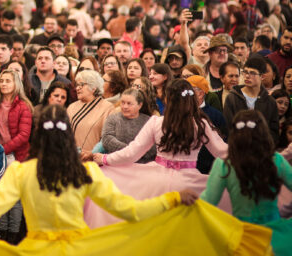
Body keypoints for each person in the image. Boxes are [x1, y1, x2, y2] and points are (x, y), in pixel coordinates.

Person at [0, 105, 268, 256]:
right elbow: (129, 210)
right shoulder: (85, 172)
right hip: (85, 249)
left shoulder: (21, 172)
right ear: (69, 138)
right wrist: (171, 199)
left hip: (36, 250)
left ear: (38, 137)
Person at [88, 79, 229, 227]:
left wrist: (105, 159)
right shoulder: (200, 124)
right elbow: (222, 151)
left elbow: (132, 153)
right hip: (188, 183)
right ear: (191, 99)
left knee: (151, 226)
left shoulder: (157, 122)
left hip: (154, 182)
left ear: (168, 99)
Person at [201, 110, 292, 255]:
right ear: (264, 133)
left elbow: (208, 201)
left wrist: (182, 204)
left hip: (242, 236)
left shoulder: (224, 164)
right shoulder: (276, 160)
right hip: (275, 237)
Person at [0, 69, 32, 243]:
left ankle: (13, 235)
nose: (4, 84)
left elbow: (24, 135)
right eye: (2, 81)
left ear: (16, 84)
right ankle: (1, 232)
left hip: (15, 156)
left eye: (8, 80)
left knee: (13, 198)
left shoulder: (23, 106)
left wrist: (3, 149)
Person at [223, 55, 280, 146]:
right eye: (245, 72)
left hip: (262, 151)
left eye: (252, 73)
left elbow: (273, 132)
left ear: (262, 76)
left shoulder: (270, 102)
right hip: (238, 149)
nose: (247, 76)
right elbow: (228, 128)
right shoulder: (232, 98)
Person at [100, 88, 156, 163]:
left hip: (142, 166)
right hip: (117, 164)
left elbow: (154, 146)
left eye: (129, 103)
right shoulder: (112, 119)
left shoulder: (149, 121)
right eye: (122, 103)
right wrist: (131, 151)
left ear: (140, 105)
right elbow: (107, 140)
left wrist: (132, 152)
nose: (125, 107)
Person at [67, 70, 115, 157]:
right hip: (70, 159)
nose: (77, 88)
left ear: (94, 88)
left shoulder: (108, 108)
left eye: (81, 84)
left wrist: (92, 153)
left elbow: (108, 138)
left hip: (94, 161)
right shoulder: (71, 107)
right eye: (77, 85)